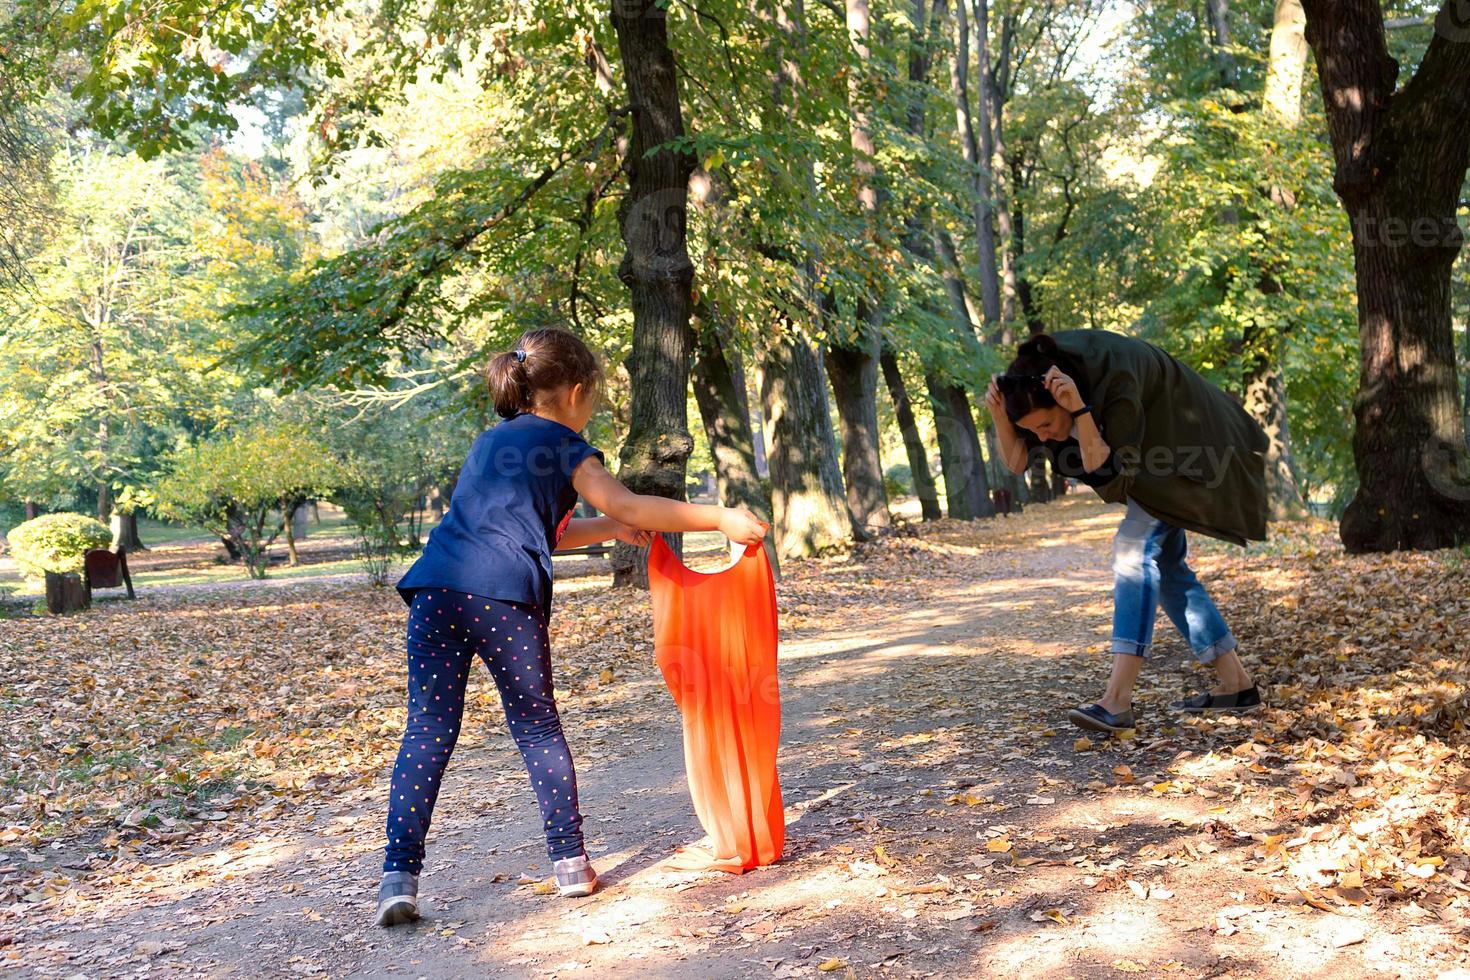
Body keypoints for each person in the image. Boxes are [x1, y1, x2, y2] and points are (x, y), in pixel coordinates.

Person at [376, 327, 768, 927]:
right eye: (597, 399)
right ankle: (569, 863)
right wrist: (719, 517)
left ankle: (397, 877)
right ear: (577, 391)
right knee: (535, 728)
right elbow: (629, 503)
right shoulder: (564, 443)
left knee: (428, 731)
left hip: (436, 590)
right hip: (503, 599)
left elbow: (542, 529)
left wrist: (612, 531)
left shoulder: (490, 444)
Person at [985, 331, 1269, 735]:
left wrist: (1081, 413)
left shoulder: (1115, 383)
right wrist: (1000, 416)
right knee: (1169, 569)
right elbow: (1015, 462)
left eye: (1047, 425)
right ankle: (1238, 685)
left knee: (1133, 553)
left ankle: (1116, 702)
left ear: (1066, 396)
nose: (1043, 437)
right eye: (1036, 431)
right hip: (1148, 465)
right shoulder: (1036, 396)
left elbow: (1113, 478)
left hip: (1188, 451)